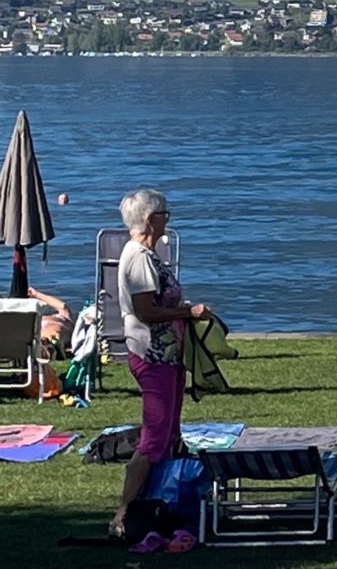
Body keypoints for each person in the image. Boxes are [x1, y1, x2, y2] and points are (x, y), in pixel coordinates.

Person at [109, 189, 209, 540]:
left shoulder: (150, 255)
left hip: (168, 355)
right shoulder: (137, 258)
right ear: (151, 219)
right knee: (153, 437)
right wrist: (187, 312)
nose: (170, 218)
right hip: (152, 356)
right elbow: (146, 311)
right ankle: (123, 512)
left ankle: (160, 499)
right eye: (166, 213)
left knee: (169, 433)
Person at [26, 286, 73, 352]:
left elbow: (62, 306)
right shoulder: (66, 321)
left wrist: (36, 294)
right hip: (54, 335)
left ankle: (49, 346)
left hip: (49, 335)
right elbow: (62, 306)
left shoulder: (66, 321)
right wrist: (36, 294)